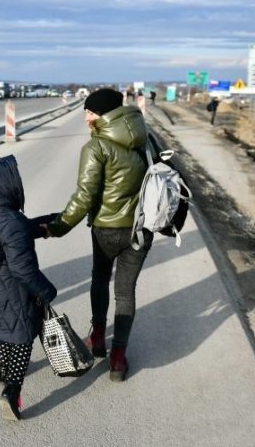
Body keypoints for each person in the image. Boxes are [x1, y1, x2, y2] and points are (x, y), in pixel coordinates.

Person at [46, 88, 153, 382]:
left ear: (102, 115)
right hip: (141, 228)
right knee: (125, 291)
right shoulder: (146, 137)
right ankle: (119, 358)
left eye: (89, 113)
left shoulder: (97, 148)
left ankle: (97, 339)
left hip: (107, 229)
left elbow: (84, 196)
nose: (86, 118)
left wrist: (58, 227)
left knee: (100, 279)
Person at [0, 155, 57, 421]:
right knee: (21, 340)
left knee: (2, 330)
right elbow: (23, 269)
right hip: (13, 291)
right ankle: (12, 390)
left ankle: (4, 370)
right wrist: (47, 291)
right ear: (4, 185)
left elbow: (12, 232)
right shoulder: (12, 222)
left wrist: (45, 224)